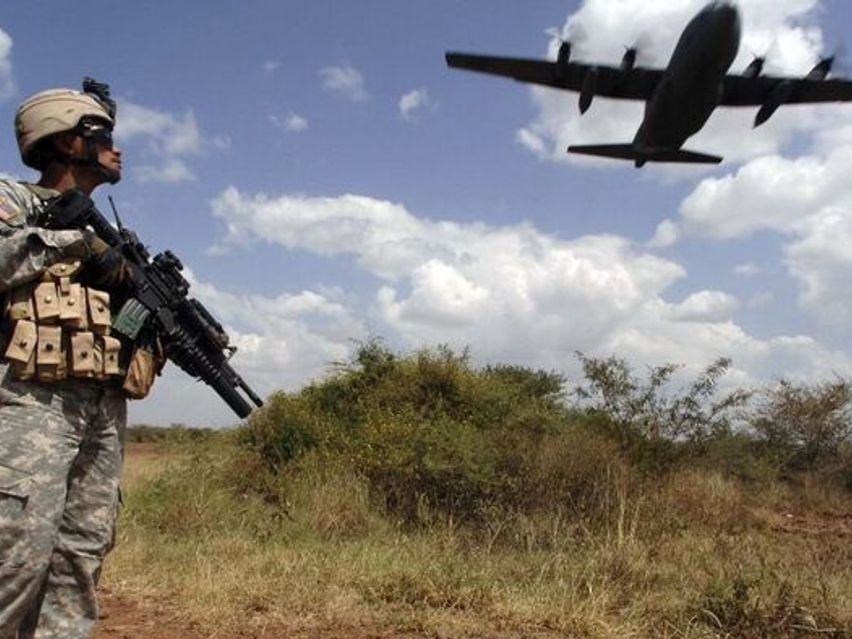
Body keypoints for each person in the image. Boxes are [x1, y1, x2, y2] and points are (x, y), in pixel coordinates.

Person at [0, 80, 152, 638]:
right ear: (65, 141)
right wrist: (72, 242)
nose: (117, 149)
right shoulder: (14, 201)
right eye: (103, 136)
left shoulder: (115, 238)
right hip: (25, 405)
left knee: (78, 566)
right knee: (14, 561)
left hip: (102, 412)